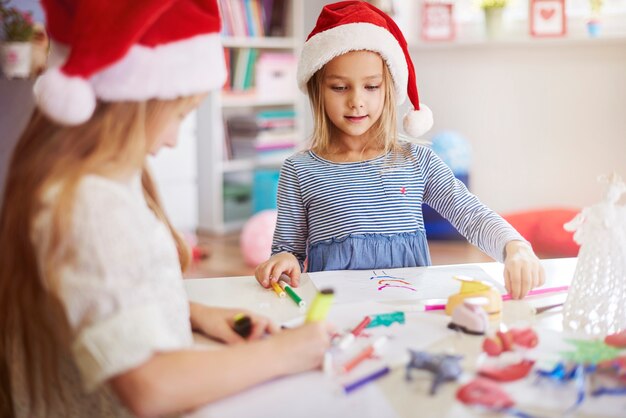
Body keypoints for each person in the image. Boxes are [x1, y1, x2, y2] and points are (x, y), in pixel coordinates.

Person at [0, 1, 330, 417]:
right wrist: (285, 354)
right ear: (129, 103)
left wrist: (196, 314)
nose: (175, 138)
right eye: (178, 114)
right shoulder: (90, 207)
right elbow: (150, 385)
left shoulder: (102, 181)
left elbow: (100, 299)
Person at [255, 1, 545, 300]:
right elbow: (287, 250)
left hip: (409, 312)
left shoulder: (418, 160)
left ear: (390, 89)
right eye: (340, 87)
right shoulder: (299, 169)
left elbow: (471, 215)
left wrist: (515, 247)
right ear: (318, 90)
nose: (356, 101)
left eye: (371, 87)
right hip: (334, 316)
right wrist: (285, 260)